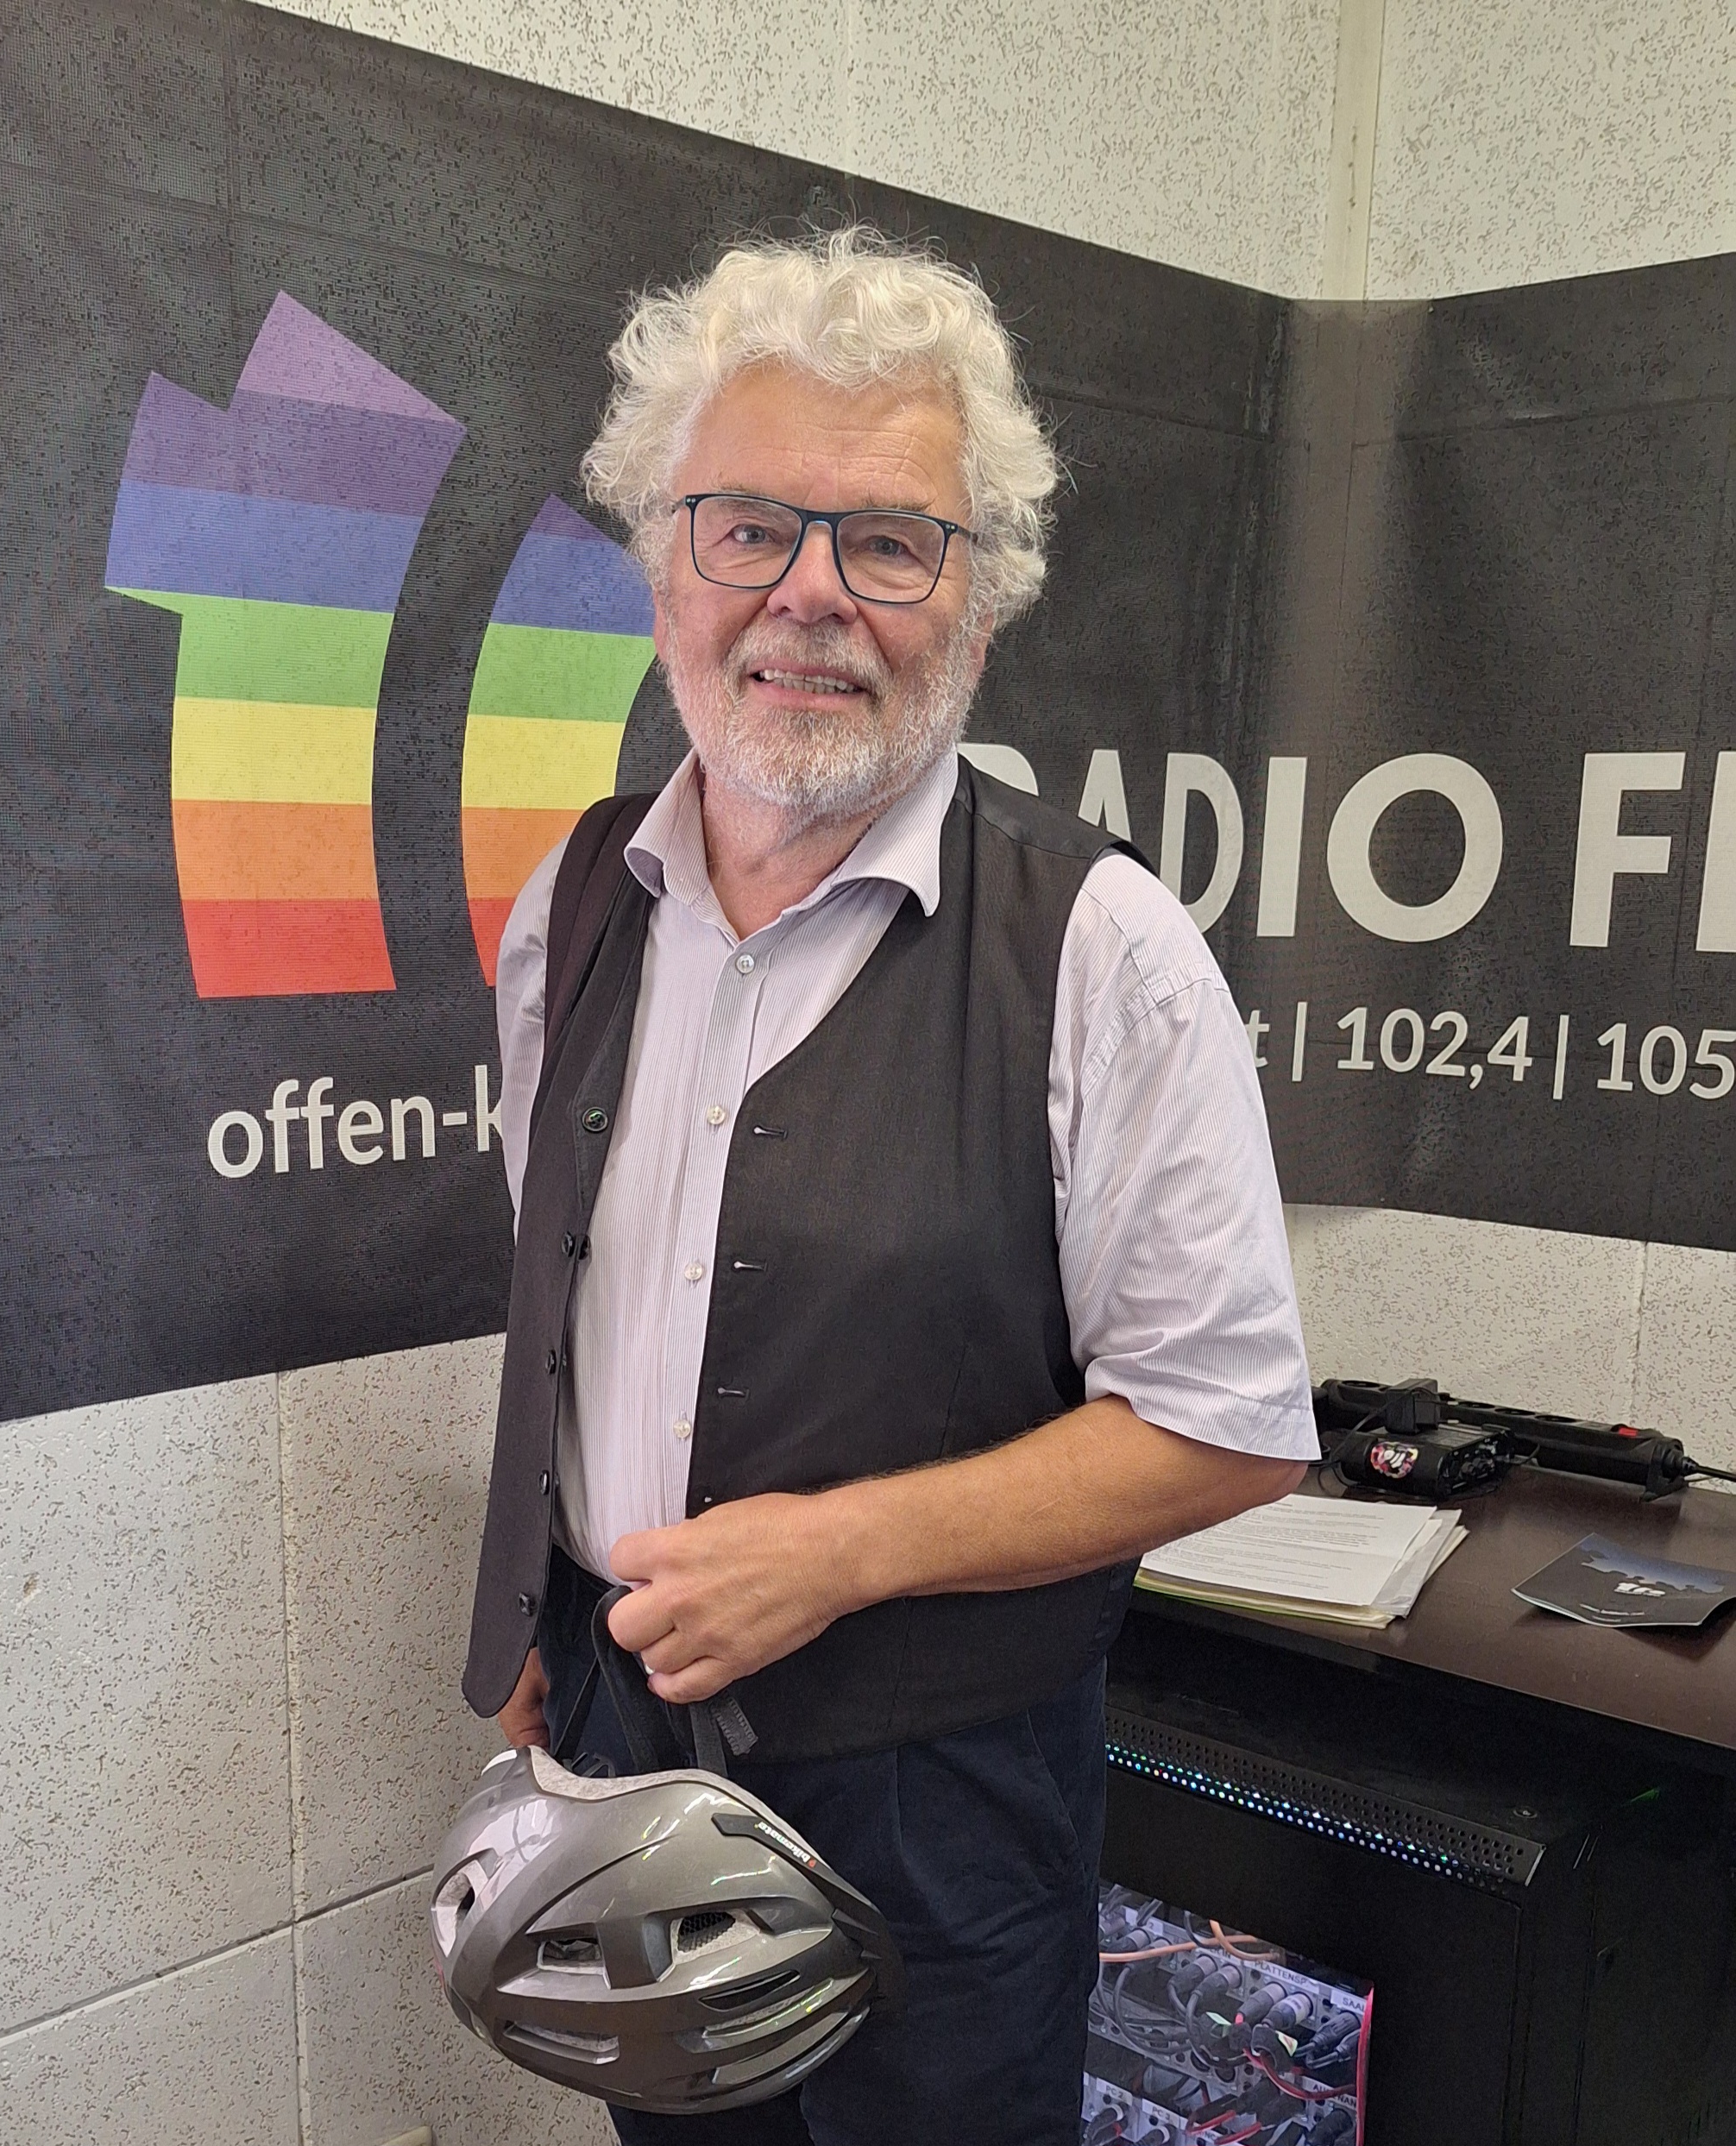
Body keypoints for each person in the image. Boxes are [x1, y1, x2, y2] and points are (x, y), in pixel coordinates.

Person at [462, 228, 1315, 2146]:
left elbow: (1226, 1422)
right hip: (621, 1739)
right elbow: (572, 1290)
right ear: (660, 562)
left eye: (887, 541)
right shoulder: (569, 903)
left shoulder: (1099, 946)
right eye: (745, 525)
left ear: (979, 599)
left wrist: (833, 1550)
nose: (808, 596)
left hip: (941, 1800)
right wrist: (536, 1578)